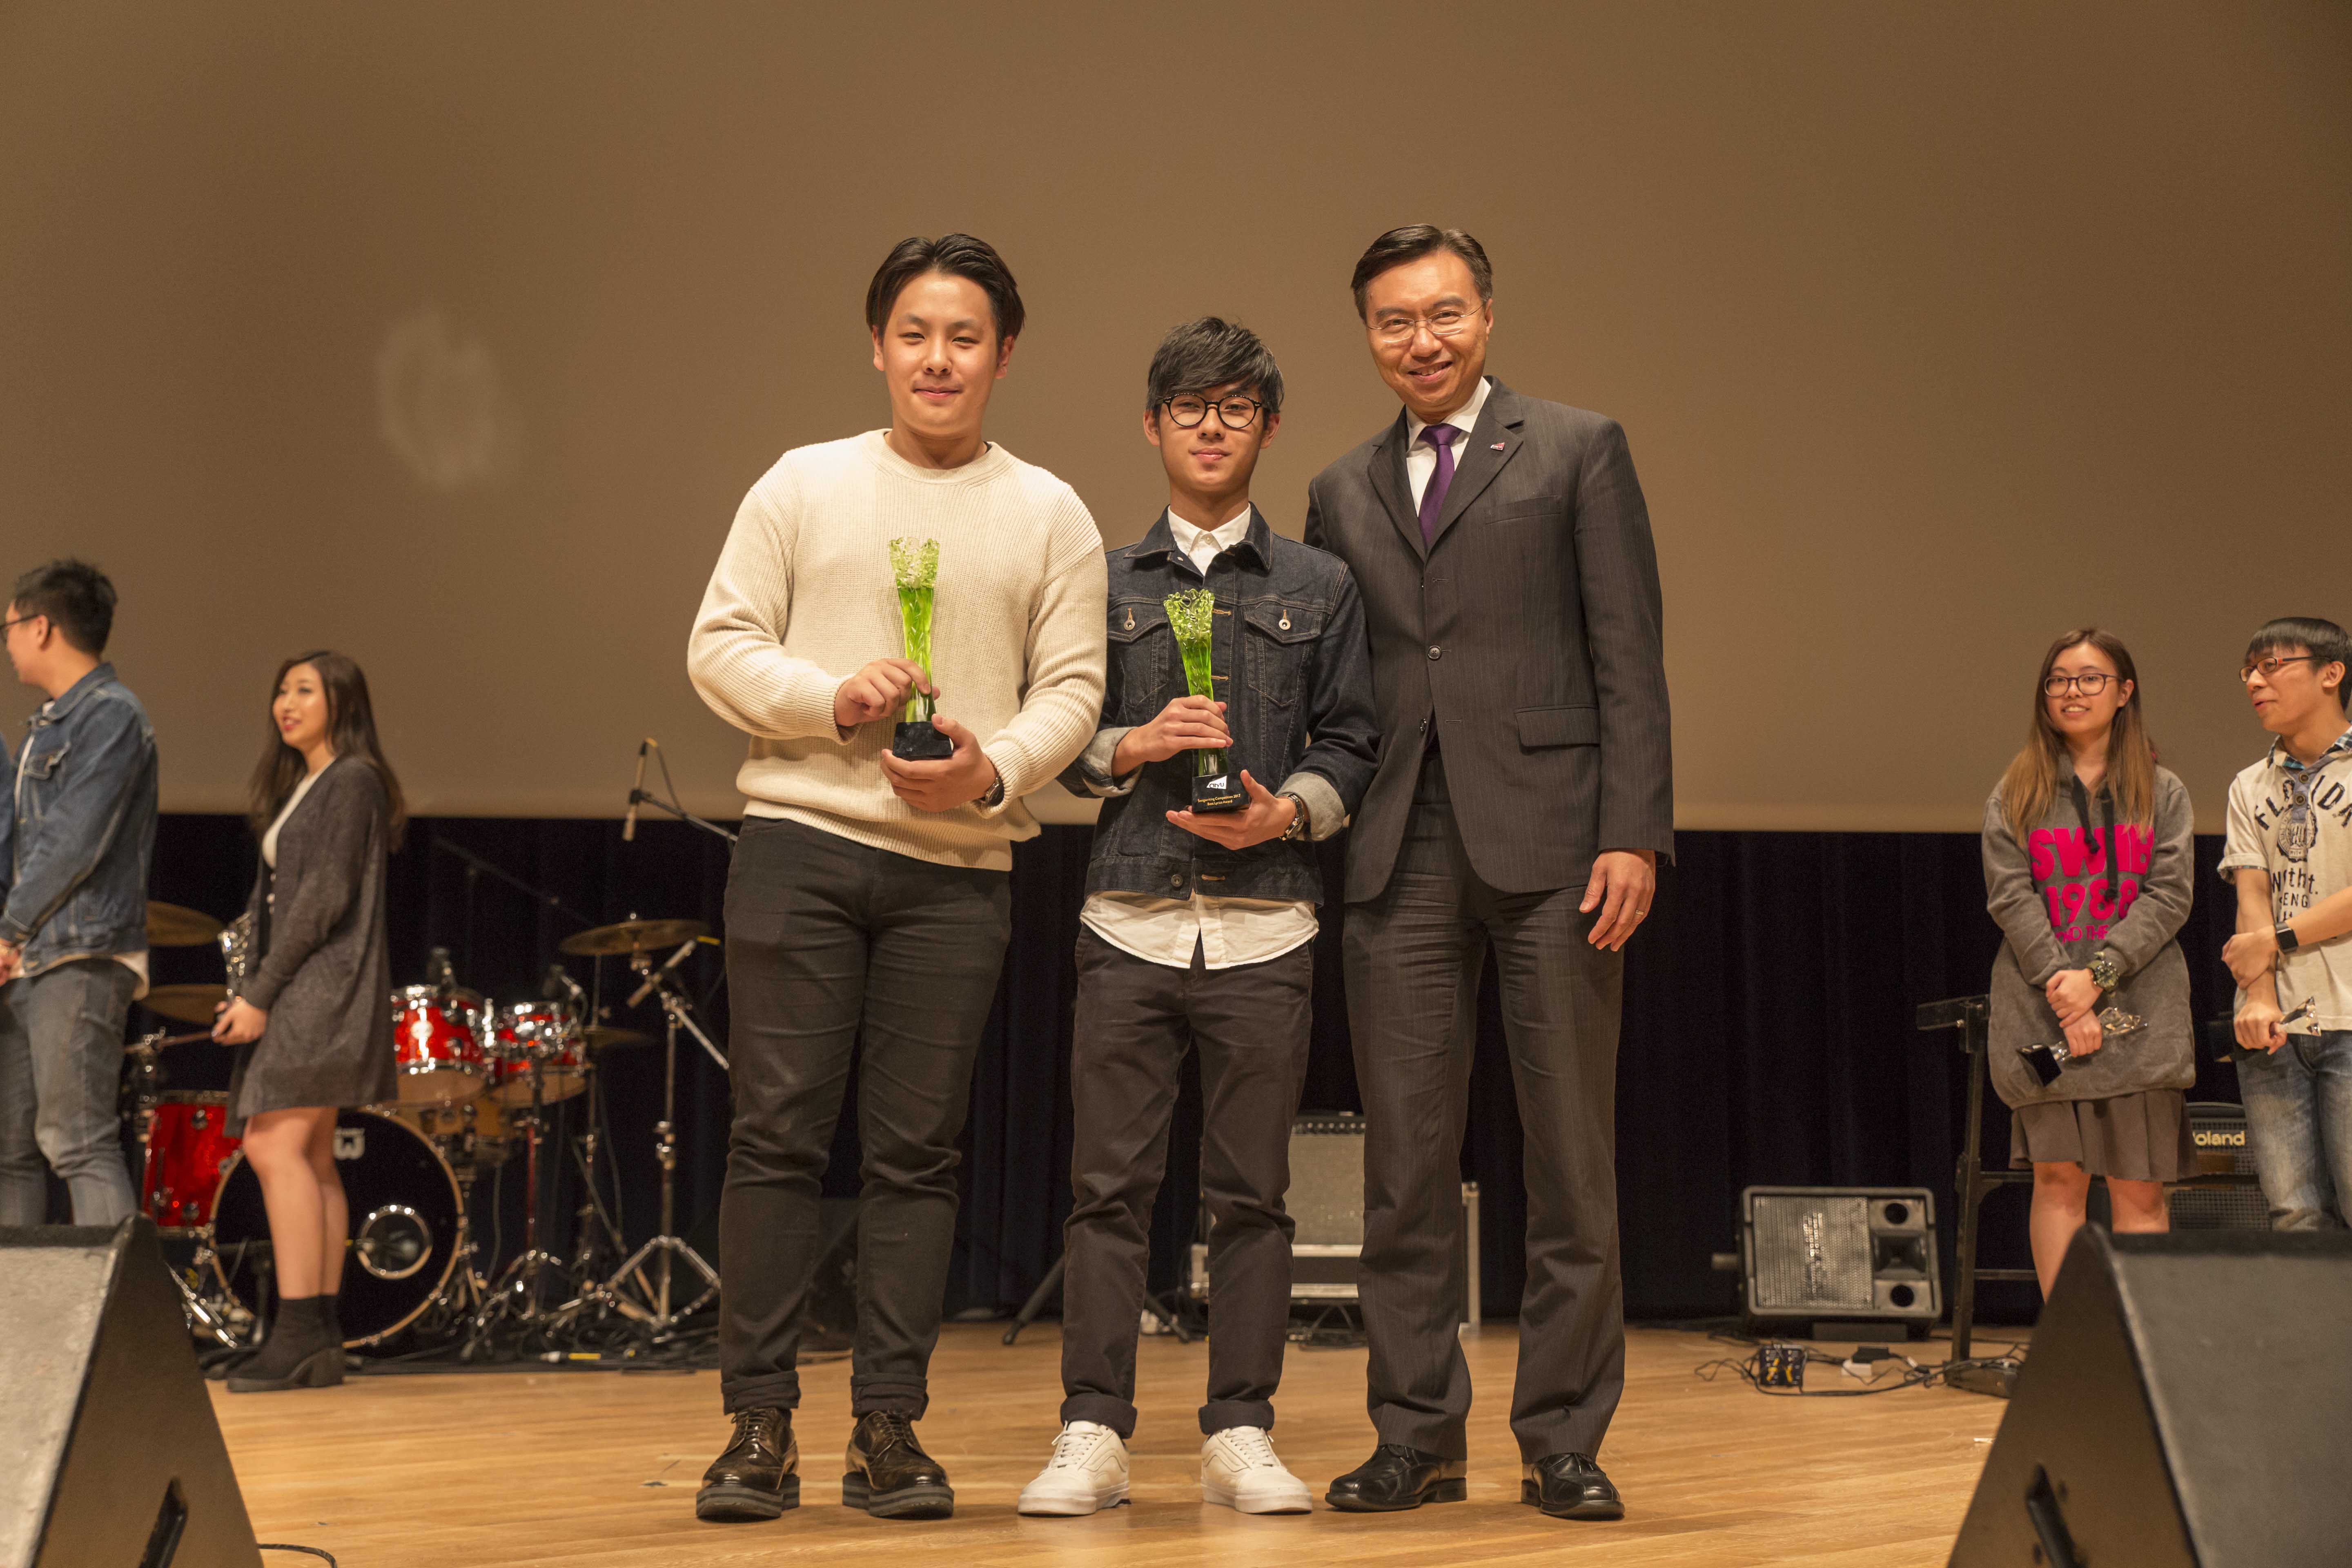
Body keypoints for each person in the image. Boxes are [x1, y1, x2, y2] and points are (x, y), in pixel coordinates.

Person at [687, 233, 1107, 1524]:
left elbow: (1073, 691)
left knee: (917, 1157)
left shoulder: (1050, 511)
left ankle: (888, 1428)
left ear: (1004, 355)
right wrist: (831, 697)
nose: (938, 358)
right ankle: (758, 1426)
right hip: (801, 847)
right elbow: (719, 645)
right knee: (775, 1137)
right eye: (915, 334)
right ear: (878, 346)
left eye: (964, 337)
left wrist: (993, 773)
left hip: (957, 872)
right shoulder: (802, 482)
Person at [1302, 227, 1671, 1521]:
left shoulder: (1578, 447)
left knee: (1571, 1159)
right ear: (1369, 336)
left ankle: (1564, 1439)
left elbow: (1629, 653)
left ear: (1488, 316)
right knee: (1404, 1170)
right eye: (1395, 321)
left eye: (1445, 313)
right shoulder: (1340, 488)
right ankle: (1417, 1435)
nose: (1424, 340)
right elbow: (1342, 685)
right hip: (1397, 846)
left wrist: (1634, 831)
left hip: (1560, 846)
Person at [1015, 319, 1379, 1518]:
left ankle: (1241, 1431)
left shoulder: (1320, 583)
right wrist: (1133, 744)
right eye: (1189, 408)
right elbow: (1056, 737)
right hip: (1128, 917)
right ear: (1152, 424)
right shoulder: (1101, 579)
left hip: (1268, 924)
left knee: (1253, 1198)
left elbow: (1353, 740)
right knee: (1107, 1191)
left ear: (1267, 428)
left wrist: (1288, 812)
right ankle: (1092, 1430)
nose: (1211, 428)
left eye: (1235, 409)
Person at [1981, 629, 2196, 1296]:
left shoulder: (2163, 791)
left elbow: (2170, 896)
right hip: (2041, 1010)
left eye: (2089, 678)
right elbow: (2010, 898)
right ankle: (2066, 1343)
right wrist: (2064, 991)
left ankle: (2138, 1344)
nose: (2071, 692)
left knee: (2139, 1186)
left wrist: (2096, 980)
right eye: (2058, 680)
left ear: (2124, 692)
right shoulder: (2015, 792)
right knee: (2057, 1182)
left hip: (2142, 1011)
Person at [212, 652, 403, 1392]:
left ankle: (295, 1332)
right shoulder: (309, 784)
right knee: (314, 1154)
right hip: (306, 986)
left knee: (273, 1146)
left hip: (318, 989)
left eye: (304, 691)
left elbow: (323, 896)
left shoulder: (351, 779)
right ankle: (318, 1336)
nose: (285, 703)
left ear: (342, 703)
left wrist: (261, 993)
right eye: (281, 690)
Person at [0, 560, 156, 1227]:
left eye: (10, 628)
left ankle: (115, 1295)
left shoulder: (111, 716)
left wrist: (9, 929)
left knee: (79, 1142)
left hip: (79, 953)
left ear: (41, 628)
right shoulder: (46, 726)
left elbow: (74, 840)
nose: (8, 643)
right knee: (13, 1151)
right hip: (30, 957)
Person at [2219, 617, 2352, 1229]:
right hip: (2276, 1026)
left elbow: (2267, 932)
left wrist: (2277, 938)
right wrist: (2259, 995)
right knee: (2295, 1218)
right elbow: (2254, 896)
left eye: (2272, 666)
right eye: (2249, 670)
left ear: (2331, 673)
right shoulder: (2250, 785)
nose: (2254, 681)